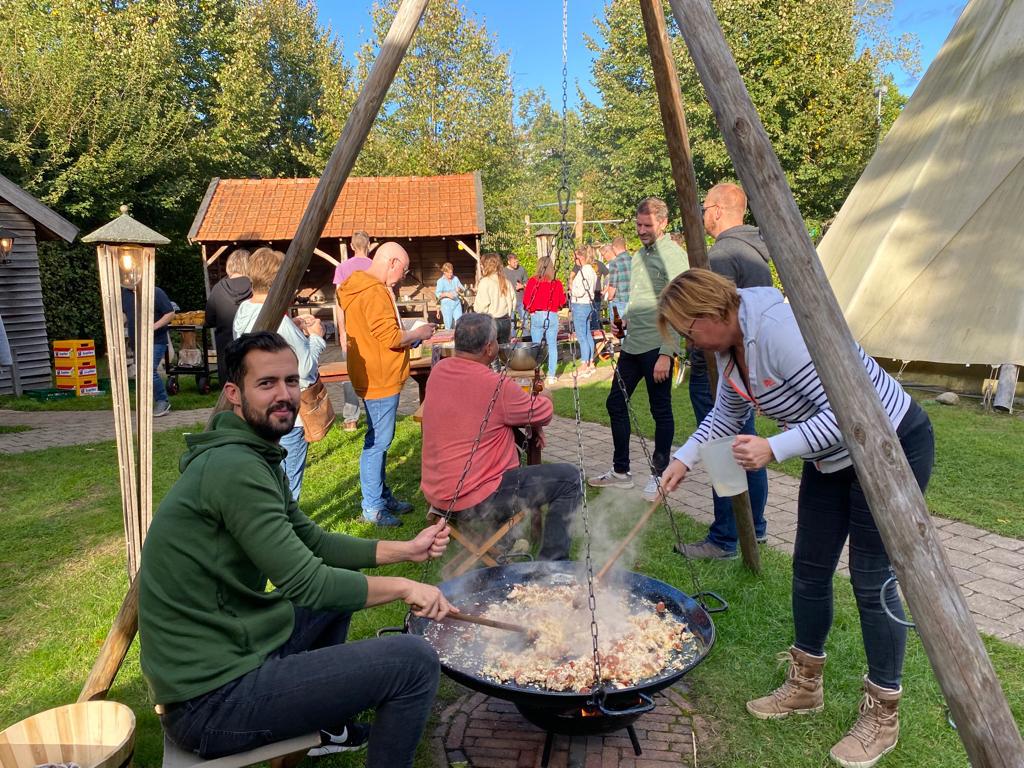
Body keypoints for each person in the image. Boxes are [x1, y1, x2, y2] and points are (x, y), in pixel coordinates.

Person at [137, 331, 453, 768]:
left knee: (337, 597)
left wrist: (408, 550)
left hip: (230, 651)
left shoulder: (252, 454)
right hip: (207, 702)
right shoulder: (234, 468)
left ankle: (330, 729)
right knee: (413, 661)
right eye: (266, 383)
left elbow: (315, 543)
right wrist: (404, 588)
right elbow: (310, 584)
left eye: (290, 380)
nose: (284, 394)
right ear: (234, 393)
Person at [657, 270, 933, 768]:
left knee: (872, 580)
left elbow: (849, 410)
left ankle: (883, 714)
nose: (688, 342)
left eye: (688, 330)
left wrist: (774, 447)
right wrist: (683, 459)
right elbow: (724, 416)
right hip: (830, 457)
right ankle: (805, 686)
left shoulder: (780, 333)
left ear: (712, 313)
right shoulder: (728, 349)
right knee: (809, 570)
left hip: (887, 443)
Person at [420, 313, 578, 560]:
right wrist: (546, 396)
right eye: (495, 341)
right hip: (475, 499)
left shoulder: (439, 371)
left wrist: (523, 426)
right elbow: (542, 412)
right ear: (489, 348)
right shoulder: (495, 385)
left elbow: (479, 416)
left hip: (437, 491)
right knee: (570, 479)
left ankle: (506, 541)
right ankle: (552, 565)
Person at [677, 182, 772, 559]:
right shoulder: (754, 252)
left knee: (723, 446)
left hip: (720, 367)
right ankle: (755, 527)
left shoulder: (720, 256)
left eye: (704, 209)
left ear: (717, 210)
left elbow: (712, 318)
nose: (703, 216)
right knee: (745, 442)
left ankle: (726, 537)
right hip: (746, 364)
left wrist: (695, 346)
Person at [589, 197, 688, 500]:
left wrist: (667, 352)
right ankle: (621, 472)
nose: (642, 230)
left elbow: (680, 304)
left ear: (663, 223)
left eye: (648, 225)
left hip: (658, 346)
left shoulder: (674, 256)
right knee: (615, 403)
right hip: (633, 344)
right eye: (639, 224)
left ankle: (660, 475)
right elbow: (641, 298)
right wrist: (625, 321)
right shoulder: (637, 256)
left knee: (661, 411)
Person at [340, 242, 435, 527]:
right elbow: (390, 337)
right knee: (377, 444)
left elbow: (378, 334)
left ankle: (381, 496)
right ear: (392, 262)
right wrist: (418, 333)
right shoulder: (374, 291)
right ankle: (373, 507)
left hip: (371, 373)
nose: (403, 276)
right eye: (404, 270)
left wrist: (410, 338)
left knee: (378, 439)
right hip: (380, 378)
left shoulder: (359, 286)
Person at [233, 247, 326, 502]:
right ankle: (286, 525)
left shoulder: (244, 310)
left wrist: (292, 329)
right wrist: (316, 338)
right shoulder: (280, 322)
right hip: (285, 413)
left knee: (266, 481)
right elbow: (304, 367)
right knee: (287, 487)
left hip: (255, 408)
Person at [333, 230, 374, 431]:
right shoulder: (375, 267)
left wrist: (342, 331)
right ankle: (374, 413)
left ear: (351, 246)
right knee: (373, 370)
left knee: (350, 372)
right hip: (372, 327)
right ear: (369, 245)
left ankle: (351, 419)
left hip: (351, 328)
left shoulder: (342, 269)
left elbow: (339, 303)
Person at [122, 283, 176, 417]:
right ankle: (147, 403)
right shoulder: (124, 294)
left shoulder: (155, 292)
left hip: (156, 340)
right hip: (137, 342)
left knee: (148, 371)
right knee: (142, 373)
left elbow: (170, 313)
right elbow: (125, 314)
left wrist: (153, 327)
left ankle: (163, 402)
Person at [205, 248, 252, 387]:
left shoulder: (218, 288)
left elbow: (209, 320)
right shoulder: (255, 287)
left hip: (226, 346)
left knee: (229, 388)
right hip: (251, 343)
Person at [523, 256, 565, 385]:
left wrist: (531, 310)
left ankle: (537, 373)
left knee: (536, 346)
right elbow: (562, 301)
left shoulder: (532, 282)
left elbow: (526, 301)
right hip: (551, 314)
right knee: (552, 345)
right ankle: (551, 375)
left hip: (536, 314)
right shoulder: (556, 283)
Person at [473, 253, 516, 344]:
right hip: (505, 321)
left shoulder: (485, 282)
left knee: (489, 350)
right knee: (504, 350)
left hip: (491, 322)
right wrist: (508, 312)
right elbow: (513, 301)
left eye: (481, 264)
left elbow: (480, 307)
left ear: (486, 265)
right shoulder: (506, 281)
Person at [569, 246, 598, 377]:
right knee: (587, 334)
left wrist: (571, 287)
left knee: (581, 336)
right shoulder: (591, 271)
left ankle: (584, 363)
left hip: (580, 304)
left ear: (581, 257)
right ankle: (591, 362)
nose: (574, 260)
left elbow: (580, 291)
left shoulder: (584, 272)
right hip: (588, 304)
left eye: (575, 257)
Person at [604, 237, 632, 323]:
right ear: (625, 246)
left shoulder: (614, 262)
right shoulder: (633, 259)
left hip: (620, 301)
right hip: (633, 301)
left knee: (619, 329)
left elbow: (613, 285)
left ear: (614, 248)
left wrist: (609, 298)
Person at [435, 261, 465, 330]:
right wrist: (446, 294)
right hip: (446, 305)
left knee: (459, 322)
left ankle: (458, 336)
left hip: (456, 303)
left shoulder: (455, 278)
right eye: (449, 273)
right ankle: (448, 336)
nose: (451, 274)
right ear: (444, 272)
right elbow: (437, 294)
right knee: (448, 325)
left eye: (451, 272)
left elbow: (462, 288)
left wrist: (459, 289)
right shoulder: (440, 281)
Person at [504, 253, 528, 333]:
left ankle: (525, 337)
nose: (516, 264)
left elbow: (527, 283)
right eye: (514, 262)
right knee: (511, 323)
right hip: (509, 301)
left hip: (521, 300)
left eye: (517, 262)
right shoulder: (504, 271)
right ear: (508, 262)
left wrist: (522, 286)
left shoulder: (522, 269)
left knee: (525, 322)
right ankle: (513, 338)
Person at [590, 245, 610, 331]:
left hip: (596, 292)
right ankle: (595, 330)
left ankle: (596, 331)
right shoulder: (583, 265)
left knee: (595, 314)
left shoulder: (599, 264)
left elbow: (609, 276)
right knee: (593, 314)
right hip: (589, 293)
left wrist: (605, 291)